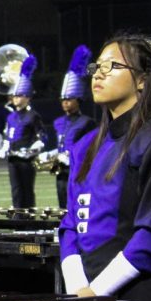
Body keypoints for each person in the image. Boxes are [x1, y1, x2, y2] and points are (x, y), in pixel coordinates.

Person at [60, 33, 151, 301]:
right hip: (86, 294)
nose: (98, 75)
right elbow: (70, 225)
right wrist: (78, 287)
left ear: (141, 80)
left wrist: (98, 290)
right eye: (97, 67)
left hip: (141, 297)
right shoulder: (84, 145)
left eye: (112, 66)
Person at [46, 45, 97, 206]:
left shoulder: (87, 123)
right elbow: (61, 143)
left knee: (76, 205)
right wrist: (50, 154)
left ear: (78, 100)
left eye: (69, 99)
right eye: (63, 99)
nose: (65, 102)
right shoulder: (59, 122)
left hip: (77, 171)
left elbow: (89, 149)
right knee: (62, 206)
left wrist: (69, 156)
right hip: (61, 172)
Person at [0, 54, 47, 209]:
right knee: (16, 190)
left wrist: (33, 149)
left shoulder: (33, 116)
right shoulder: (11, 117)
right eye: (15, 95)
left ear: (27, 97)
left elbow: (42, 136)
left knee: (27, 190)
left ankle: (29, 223)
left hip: (27, 160)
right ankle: (18, 221)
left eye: (19, 95)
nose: (15, 98)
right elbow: (7, 136)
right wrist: (4, 147)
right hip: (13, 159)